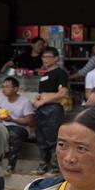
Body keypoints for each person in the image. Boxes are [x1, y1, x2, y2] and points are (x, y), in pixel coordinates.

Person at [32, 47, 69, 175]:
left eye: (48, 56)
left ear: (56, 58)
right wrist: (38, 98)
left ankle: (55, 167)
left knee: (53, 138)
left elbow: (62, 93)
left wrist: (43, 101)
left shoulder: (60, 73)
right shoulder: (45, 74)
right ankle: (43, 164)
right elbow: (43, 93)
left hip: (53, 109)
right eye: (43, 57)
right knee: (41, 138)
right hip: (41, 110)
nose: (45, 59)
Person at [0, 76, 35, 175]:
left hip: (20, 129)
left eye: (7, 86)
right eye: (3, 87)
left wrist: (12, 119)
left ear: (16, 89)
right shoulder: (1, 100)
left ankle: (10, 166)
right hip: (4, 127)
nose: (4, 89)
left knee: (13, 133)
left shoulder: (25, 102)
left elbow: (29, 120)